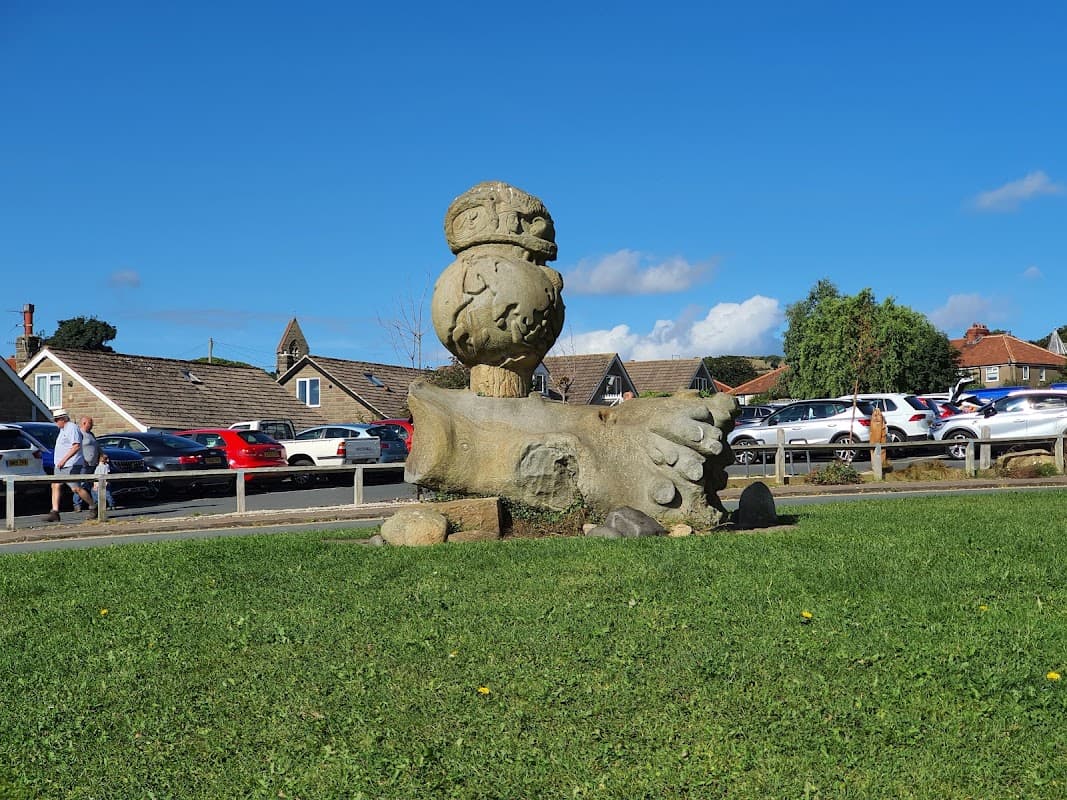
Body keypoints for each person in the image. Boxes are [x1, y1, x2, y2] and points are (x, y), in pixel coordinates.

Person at [42, 409, 95, 522]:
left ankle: (93, 506)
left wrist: (64, 460)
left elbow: (76, 446)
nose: (56, 423)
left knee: (76, 488)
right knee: (55, 485)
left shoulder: (71, 428)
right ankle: (55, 512)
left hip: (71, 464)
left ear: (63, 419)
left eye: (57, 420)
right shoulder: (63, 430)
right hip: (61, 465)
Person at [73, 415, 101, 513]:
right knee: (81, 484)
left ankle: (94, 503)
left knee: (91, 484)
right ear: (84, 423)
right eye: (91, 423)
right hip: (83, 464)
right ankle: (77, 504)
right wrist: (82, 459)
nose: (92, 425)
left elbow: (96, 446)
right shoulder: (79, 434)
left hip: (93, 464)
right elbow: (76, 448)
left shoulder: (91, 434)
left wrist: (101, 454)